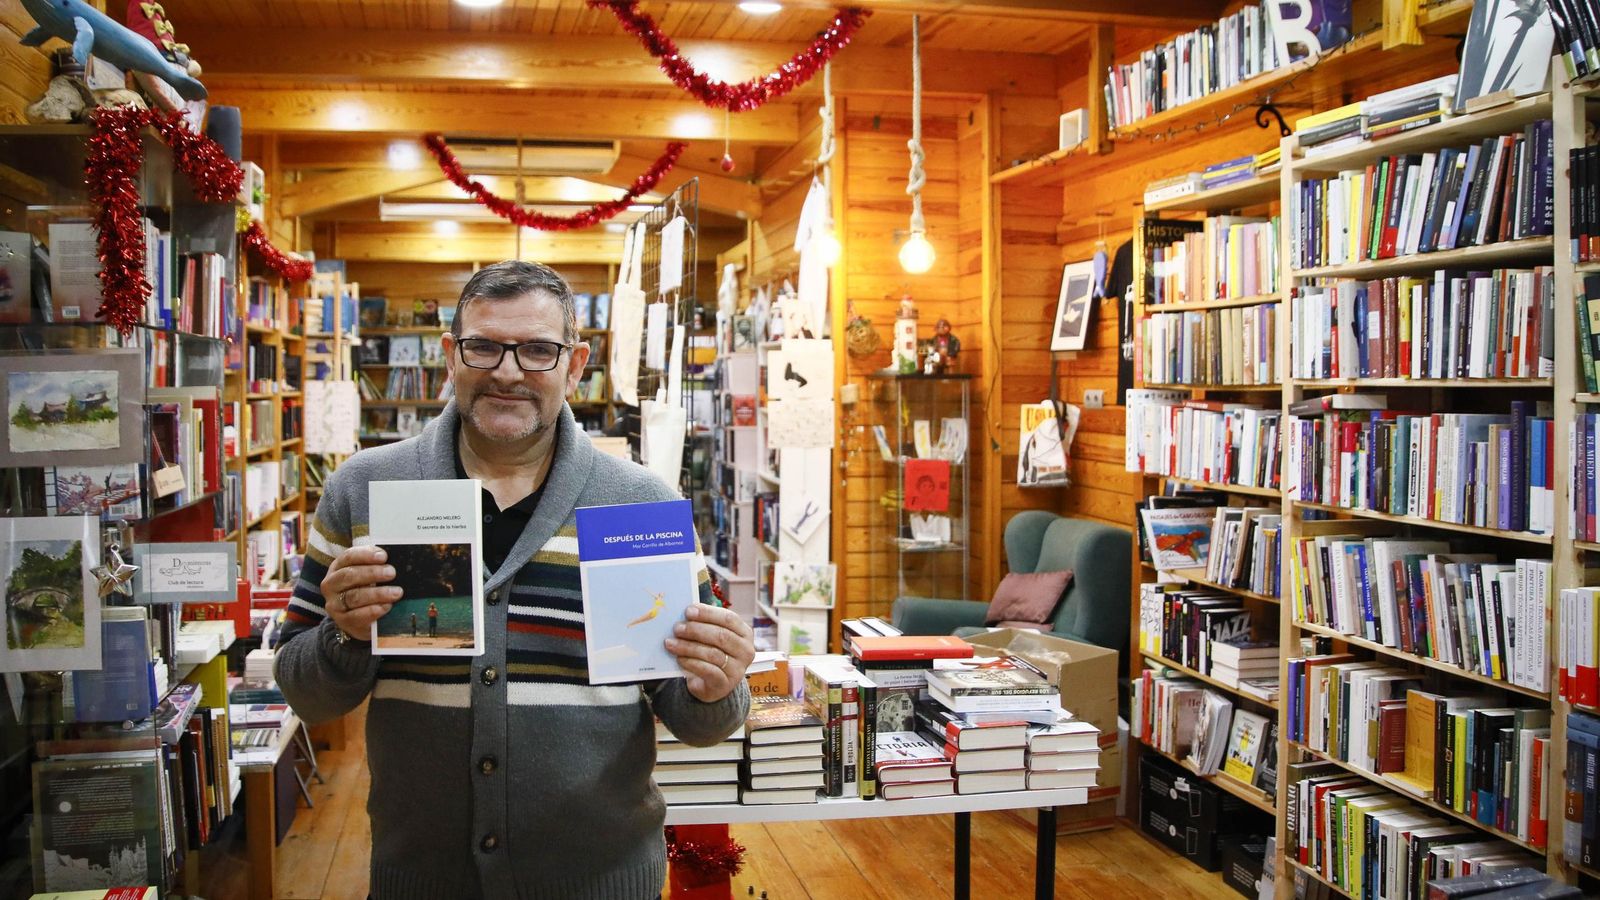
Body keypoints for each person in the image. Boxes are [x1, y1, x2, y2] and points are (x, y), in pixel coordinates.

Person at [273, 260, 754, 899]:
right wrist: (345, 636)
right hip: (423, 881)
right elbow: (305, 693)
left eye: (537, 351)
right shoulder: (363, 491)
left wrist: (717, 684)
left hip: (602, 883)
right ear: (450, 355)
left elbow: (700, 719)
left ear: (576, 365)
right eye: (484, 346)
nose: (507, 371)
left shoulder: (639, 506)